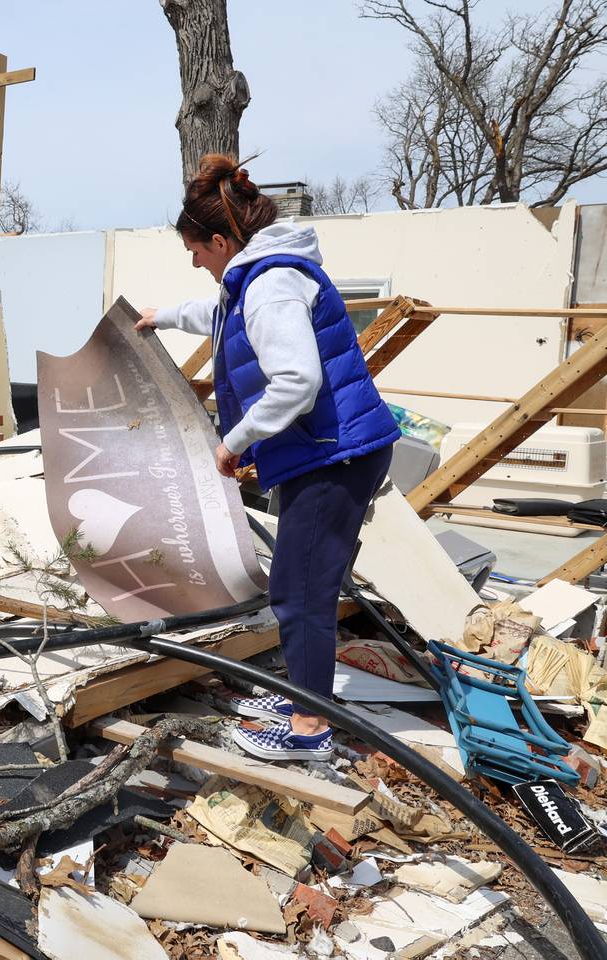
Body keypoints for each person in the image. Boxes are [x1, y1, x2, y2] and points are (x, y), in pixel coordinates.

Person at [136, 154, 399, 763]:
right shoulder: (259, 279)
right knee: (301, 583)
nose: (197, 262)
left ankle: (310, 729)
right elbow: (223, 316)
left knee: (300, 591)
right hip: (333, 453)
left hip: (333, 458)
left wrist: (234, 441)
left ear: (223, 240)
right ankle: (309, 699)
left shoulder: (271, 285)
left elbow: (296, 382)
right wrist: (163, 316)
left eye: (197, 251)